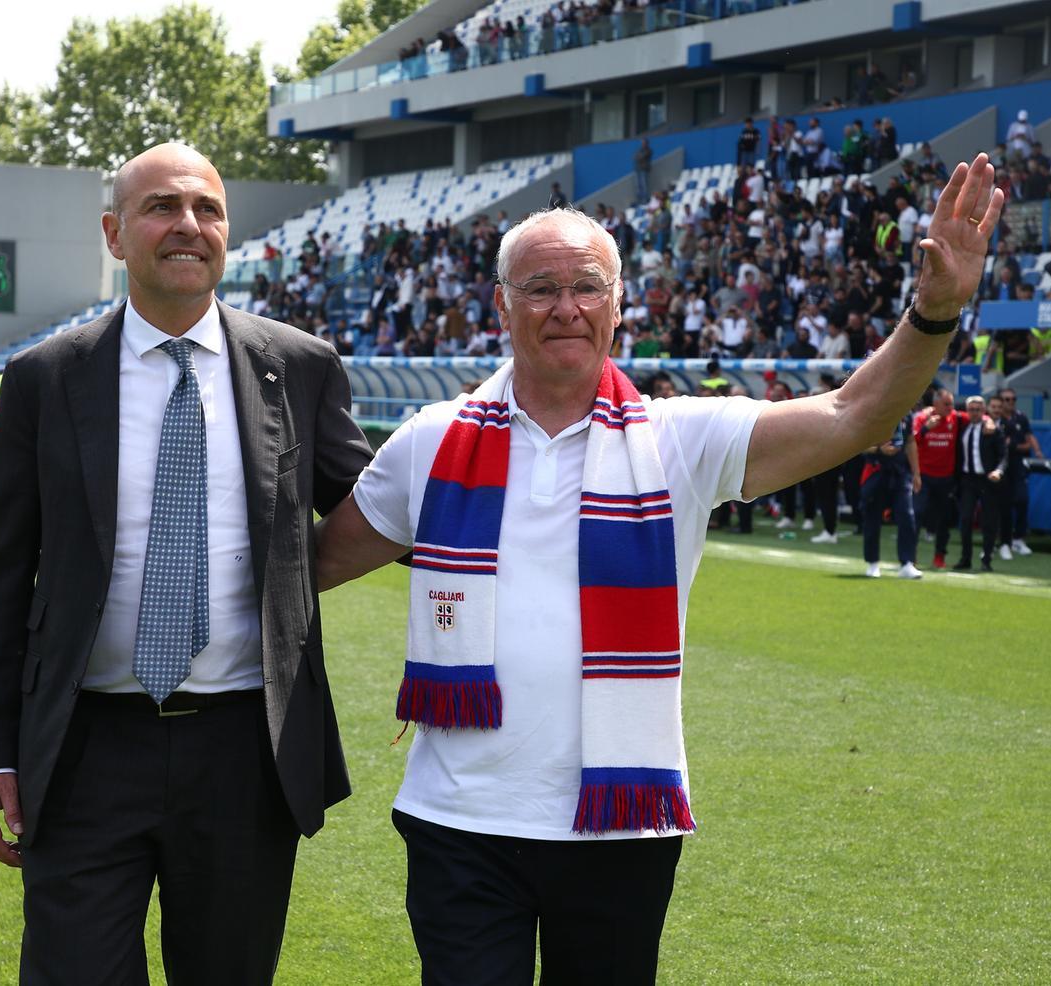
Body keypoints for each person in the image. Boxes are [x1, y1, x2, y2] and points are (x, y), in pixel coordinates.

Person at [314, 154, 1004, 984]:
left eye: (587, 287)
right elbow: (314, 565)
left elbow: (850, 415)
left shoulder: (682, 438)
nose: (566, 307)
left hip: (620, 829)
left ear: (618, 305)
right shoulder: (430, 440)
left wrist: (933, 313)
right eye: (540, 288)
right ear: (501, 304)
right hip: (460, 824)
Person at [0, 143, 372, 985]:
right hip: (84, 748)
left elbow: (376, 507)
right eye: (161, 207)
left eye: (207, 209)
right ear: (115, 235)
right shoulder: (45, 377)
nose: (188, 225)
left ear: (227, 233)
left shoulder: (299, 366)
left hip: (245, 751)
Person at [859, 413, 922, 579]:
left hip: (900, 473)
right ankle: (872, 562)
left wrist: (916, 472)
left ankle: (907, 562)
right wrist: (879, 449)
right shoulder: (875, 412)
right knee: (872, 516)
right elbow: (858, 445)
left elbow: (910, 442)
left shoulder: (906, 414)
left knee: (907, 515)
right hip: (876, 470)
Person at [912, 388, 965, 569]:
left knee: (944, 519)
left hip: (946, 478)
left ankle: (939, 557)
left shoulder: (956, 418)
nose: (951, 407)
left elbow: (978, 416)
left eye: (951, 404)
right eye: (947, 404)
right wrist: (926, 428)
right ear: (935, 404)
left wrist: (987, 419)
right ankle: (910, 555)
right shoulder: (922, 418)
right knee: (917, 514)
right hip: (924, 477)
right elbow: (911, 442)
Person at [954, 394, 1006, 572]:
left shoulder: (992, 429)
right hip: (968, 479)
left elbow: (1003, 455)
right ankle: (965, 558)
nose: (974, 413)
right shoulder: (963, 427)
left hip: (987, 480)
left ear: (984, 411)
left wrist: (998, 471)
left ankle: (986, 559)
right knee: (965, 518)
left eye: (978, 410)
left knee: (989, 521)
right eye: (971, 410)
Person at [994, 387, 1042, 558]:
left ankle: (1018, 539)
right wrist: (1015, 446)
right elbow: (1003, 445)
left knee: (1022, 499)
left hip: (1018, 464)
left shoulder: (1021, 416)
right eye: (1007, 399)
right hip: (1001, 466)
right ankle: (1002, 542)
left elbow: (1028, 438)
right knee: (1003, 505)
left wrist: (1037, 451)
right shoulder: (996, 420)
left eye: (1013, 399)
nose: (1011, 402)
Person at [633, 136, 652, 204]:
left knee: (644, 185)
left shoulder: (648, 150)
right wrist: (639, 156)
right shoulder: (639, 150)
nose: (643, 144)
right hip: (638, 169)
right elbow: (635, 157)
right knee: (638, 186)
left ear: (647, 143)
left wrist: (639, 157)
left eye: (644, 142)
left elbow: (642, 157)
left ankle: (645, 199)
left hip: (644, 169)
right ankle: (639, 200)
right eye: (642, 143)